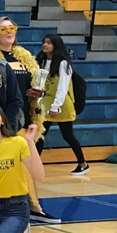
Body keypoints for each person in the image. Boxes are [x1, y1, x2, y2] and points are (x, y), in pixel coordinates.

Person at [0, 16, 61, 225]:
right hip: (5, 119)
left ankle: (27, 207)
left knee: (26, 165)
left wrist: (37, 92)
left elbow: (34, 87)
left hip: (27, 117)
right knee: (17, 165)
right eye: (3, 29)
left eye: (12, 28)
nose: (9, 32)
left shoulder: (24, 56)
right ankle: (31, 207)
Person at [38, 34, 87, 175]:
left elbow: (63, 87)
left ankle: (83, 163)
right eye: (44, 42)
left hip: (61, 104)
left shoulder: (63, 63)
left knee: (68, 136)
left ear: (56, 45)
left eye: (49, 42)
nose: (45, 45)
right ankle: (35, 166)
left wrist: (56, 106)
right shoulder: (40, 61)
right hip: (45, 103)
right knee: (40, 135)